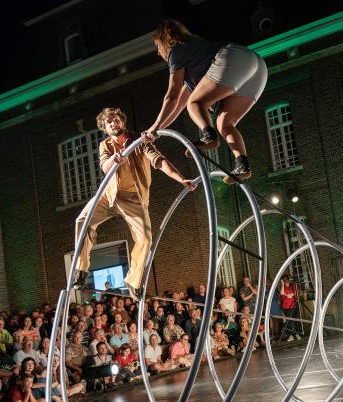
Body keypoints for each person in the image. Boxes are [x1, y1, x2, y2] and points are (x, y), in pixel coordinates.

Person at [71, 107, 195, 300]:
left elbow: (159, 161)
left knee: (145, 238)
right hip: (109, 196)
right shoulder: (105, 145)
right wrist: (114, 159)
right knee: (82, 220)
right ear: (104, 127)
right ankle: (81, 269)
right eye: (109, 121)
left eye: (116, 120)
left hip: (133, 199)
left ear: (122, 122)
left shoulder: (139, 140)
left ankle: (133, 280)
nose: (113, 123)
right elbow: (105, 166)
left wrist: (180, 179)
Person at [142, 19, 268, 184]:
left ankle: (208, 136)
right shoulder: (195, 59)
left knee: (195, 103)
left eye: (158, 47)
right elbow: (177, 106)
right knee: (224, 122)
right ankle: (242, 166)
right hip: (256, 67)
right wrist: (157, 130)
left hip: (234, 57)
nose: (159, 53)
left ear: (165, 42)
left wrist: (153, 127)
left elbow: (171, 97)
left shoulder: (176, 50)